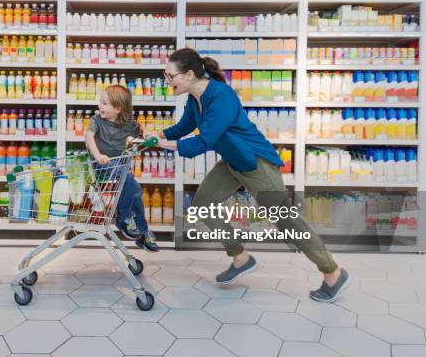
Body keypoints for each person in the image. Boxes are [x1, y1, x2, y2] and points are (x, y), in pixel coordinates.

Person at [146, 48, 349, 302]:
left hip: (256, 163)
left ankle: (332, 272)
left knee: (285, 220)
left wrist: (162, 145)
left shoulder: (221, 96)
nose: (167, 82)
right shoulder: (194, 97)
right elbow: (184, 127)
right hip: (232, 161)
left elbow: (204, 141)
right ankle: (241, 258)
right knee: (202, 206)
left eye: (170, 76)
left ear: (188, 74)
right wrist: (157, 136)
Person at [85, 85, 159, 252]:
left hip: (120, 169)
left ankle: (143, 232)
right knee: (130, 181)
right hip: (102, 166)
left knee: (135, 190)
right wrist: (98, 156)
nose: (100, 106)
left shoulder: (128, 124)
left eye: (104, 103)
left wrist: (145, 136)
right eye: (100, 102)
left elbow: (141, 130)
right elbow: (89, 136)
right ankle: (124, 218)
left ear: (118, 108)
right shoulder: (97, 121)